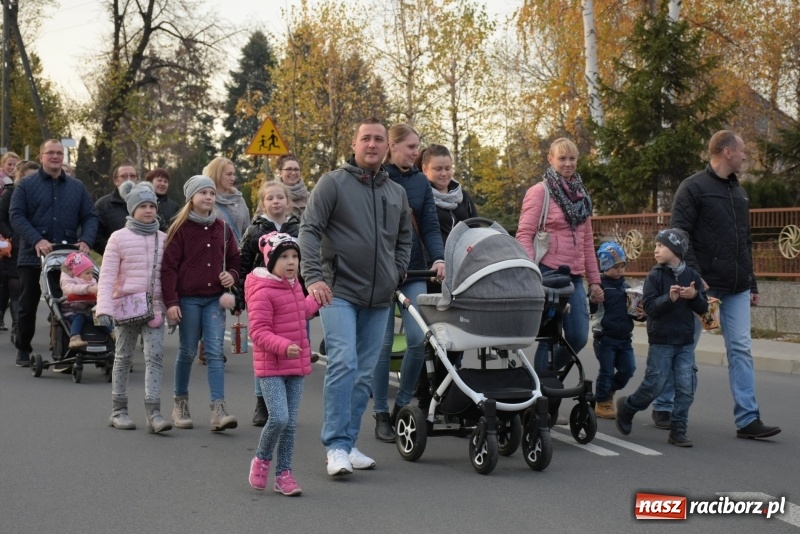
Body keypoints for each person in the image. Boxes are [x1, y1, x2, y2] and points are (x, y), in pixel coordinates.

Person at [299, 116, 412, 476]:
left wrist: (397, 272)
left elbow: (405, 239)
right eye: (366, 138)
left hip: (380, 296)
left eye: (379, 139)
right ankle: (335, 446)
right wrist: (313, 277)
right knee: (344, 362)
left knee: (364, 373)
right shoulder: (333, 183)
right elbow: (309, 230)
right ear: (354, 144)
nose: (372, 144)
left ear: (387, 147)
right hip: (339, 291)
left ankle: (348, 443)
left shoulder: (396, 192)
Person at [655, 130, 781, 440]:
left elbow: (745, 241)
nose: (745, 156)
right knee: (683, 345)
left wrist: (752, 283)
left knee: (741, 348)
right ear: (727, 152)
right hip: (702, 286)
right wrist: (694, 275)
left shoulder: (740, 193)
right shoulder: (693, 187)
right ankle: (664, 404)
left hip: (736, 287)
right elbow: (679, 235)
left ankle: (748, 419)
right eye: (742, 150)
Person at [371, 124, 445, 443]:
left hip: (413, 270)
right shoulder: (376, 178)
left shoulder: (420, 182)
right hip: (379, 272)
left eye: (417, 146)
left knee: (418, 339)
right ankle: (380, 412)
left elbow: (429, 224)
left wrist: (438, 258)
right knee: (383, 344)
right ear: (392, 146)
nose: (417, 152)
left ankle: (401, 404)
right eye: (411, 147)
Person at [516, 138, 604, 375]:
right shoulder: (540, 192)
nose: (568, 163)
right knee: (549, 336)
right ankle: (543, 388)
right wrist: (531, 273)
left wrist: (595, 281)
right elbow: (524, 234)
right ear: (550, 159)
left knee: (578, 337)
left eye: (572, 158)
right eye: (562, 158)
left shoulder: (581, 196)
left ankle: (541, 376)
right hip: (547, 273)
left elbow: (587, 242)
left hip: (573, 276)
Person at [161, 175, 241, 431]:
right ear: (191, 198)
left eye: (212, 193)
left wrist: (232, 275)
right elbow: (168, 268)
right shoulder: (180, 229)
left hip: (215, 300)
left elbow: (236, 260)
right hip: (188, 299)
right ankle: (180, 404)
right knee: (187, 351)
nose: (208, 197)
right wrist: (171, 302)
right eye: (203, 193)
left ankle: (219, 409)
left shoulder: (223, 228)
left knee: (215, 352)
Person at [10, 140, 98, 367]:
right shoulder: (26, 185)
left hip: (68, 257)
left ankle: (66, 348)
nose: (56, 156)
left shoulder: (76, 187)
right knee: (28, 303)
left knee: (69, 303)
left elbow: (90, 216)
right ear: (41, 157)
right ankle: (23, 347)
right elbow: (16, 215)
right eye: (50, 153)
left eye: (59, 153)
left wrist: (86, 240)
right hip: (33, 254)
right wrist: (36, 239)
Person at [615, 229, 707, 447]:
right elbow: (649, 308)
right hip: (661, 341)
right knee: (654, 385)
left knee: (686, 386)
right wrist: (669, 298)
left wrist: (694, 296)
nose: (655, 250)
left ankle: (678, 430)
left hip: (685, 341)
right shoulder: (654, 276)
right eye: (656, 245)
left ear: (676, 249)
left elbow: (703, 307)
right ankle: (628, 408)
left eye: (661, 246)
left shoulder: (692, 276)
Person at [246, 232, 321, 495]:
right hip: (271, 367)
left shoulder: (294, 285)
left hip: (295, 366)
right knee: (279, 418)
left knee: (289, 425)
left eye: (295, 256)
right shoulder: (262, 290)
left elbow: (301, 311)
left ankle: (284, 475)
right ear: (270, 261)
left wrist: (317, 299)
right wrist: (283, 346)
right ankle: (261, 459)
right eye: (284, 257)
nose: (291, 262)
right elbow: (258, 332)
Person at [96, 182, 171, 433]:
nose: (148, 210)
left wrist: (172, 307)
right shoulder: (118, 238)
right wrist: (104, 308)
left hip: (155, 308)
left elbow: (170, 277)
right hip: (126, 307)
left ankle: (154, 413)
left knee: (155, 357)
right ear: (132, 209)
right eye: (142, 206)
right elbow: (107, 275)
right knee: (123, 357)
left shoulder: (164, 239)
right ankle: (119, 411)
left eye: (152, 206)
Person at [412, 144, 478, 410]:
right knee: (434, 336)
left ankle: (446, 386)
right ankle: (425, 390)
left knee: (458, 333)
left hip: (461, 273)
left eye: (448, 168)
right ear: (424, 169)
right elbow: (422, 233)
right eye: (437, 169)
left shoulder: (463, 197)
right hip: (433, 272)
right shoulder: (421, 197)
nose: (444, 173)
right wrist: (434, 262)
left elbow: (474, 228)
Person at [239, 180, 302, 427]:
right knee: (265, 349)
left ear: (288, 201)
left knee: (292, 346)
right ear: (262, 204)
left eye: (280, 197)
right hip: (263, 296)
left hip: (291, 295)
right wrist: (240, 295)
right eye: (270, 198)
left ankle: (284, 402)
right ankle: (262, 402)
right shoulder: (255, 231)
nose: (276, 201)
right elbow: (244, 262)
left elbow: (306, 261)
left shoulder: (298, 228)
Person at [590, 242, 645, 419]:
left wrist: (642, 315)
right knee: (606, 371)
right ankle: (602, 402)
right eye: (615, 267)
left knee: (629, 369)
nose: (620, 270)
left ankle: (609, 391)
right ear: (605, 266)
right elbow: (591, 308)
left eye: (622, 266)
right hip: (605, 338)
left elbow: (634, 313)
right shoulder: (599, 287)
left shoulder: (627, 288)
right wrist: (593, 300)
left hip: (625, 338)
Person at [0, 161, 39, 347]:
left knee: (30, 292)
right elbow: (1, 218)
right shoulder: (11, 193)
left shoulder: (44, 193)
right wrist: (12, 236)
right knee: (16, 289)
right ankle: (17, 326)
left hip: (38, 246)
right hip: (15, 249)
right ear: (20, 177)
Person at [59, 252, 105, 349]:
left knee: (99, 318)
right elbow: (69, 289)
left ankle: (113, 332)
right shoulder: (70, 281)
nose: (91, 276)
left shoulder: (91, 280)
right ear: (77, 273)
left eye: (92, 273)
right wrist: (88, 289)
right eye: (87, 273)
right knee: (79, 318)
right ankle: (74, 338)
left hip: (87, 309)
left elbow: (97, 289)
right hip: (72, 310)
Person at [94, 164, 139, 254]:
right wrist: (113, 253)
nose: (129, 179)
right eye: (124, 176)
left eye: (132, 176)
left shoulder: (147, 202)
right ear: (116, 181)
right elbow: (96, 235)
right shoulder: (103, 205)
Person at [204, 157, 249, 243]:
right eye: (229, 174)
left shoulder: (239, 200)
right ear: (217, 174)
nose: (233, 178)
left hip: (238, 250)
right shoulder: (207, 200)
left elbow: (247, 231)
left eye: (233, 174)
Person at [0, 151, 20, 332]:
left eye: (15, 165)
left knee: (13, 282)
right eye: (9, 165)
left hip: (18, 242)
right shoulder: (8, 189)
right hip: (6, 241)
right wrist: (9, 235)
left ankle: (16, 324)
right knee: (6, 281)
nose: (12, 168)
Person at [144, 168, 180, 232]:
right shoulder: (141, 203)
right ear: (150, 182)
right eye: (159, 180)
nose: (163, 184)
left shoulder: (174, 207)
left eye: (165, 181)